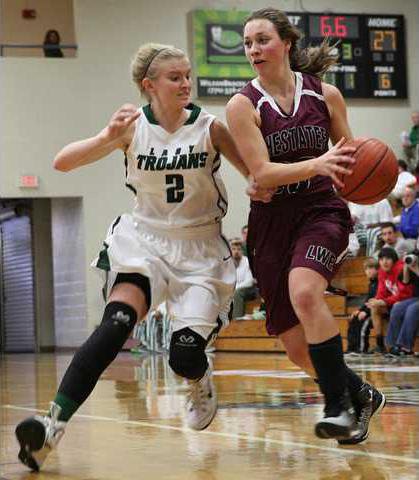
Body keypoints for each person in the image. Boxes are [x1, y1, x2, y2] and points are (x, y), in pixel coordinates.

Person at [14, 43, 271, 472]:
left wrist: (257, 185)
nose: (186, 83)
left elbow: (256, 174)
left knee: (183, 354)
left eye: (188, 75)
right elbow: (62, 163)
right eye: (175, 77)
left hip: (200, 249)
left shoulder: (210, 128)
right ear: (149, 85)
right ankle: (50, 427)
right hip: (146, 242)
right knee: (114, 325)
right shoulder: (131, 128)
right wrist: (105, 136)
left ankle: (199, 379)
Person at [226, 7, 385, 443]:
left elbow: (350, 158)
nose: (254, 49)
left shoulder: (325, 95)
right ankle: (360, 395)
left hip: (321, 211)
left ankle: (337, 407)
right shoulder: (242, 105)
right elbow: (261, 172)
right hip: (271, 223)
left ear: (287, 42)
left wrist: (368, 172)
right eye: (247, 43)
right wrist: (315, 163)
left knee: (305, 292)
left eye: (262, 40)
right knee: (297, 348)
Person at [366, 248, 414, 354]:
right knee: (375, 307)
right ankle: (380, 344)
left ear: (394, 260)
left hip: (407, 301)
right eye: (381, 259)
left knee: (396, 305)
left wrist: (384, 302)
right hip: (393, 302)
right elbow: (381, 292)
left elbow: (405, 295)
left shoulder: (400, 268)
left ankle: (398, 346)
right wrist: (376, 300)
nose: (384, 262)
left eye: (388, 258)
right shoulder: (381, 272)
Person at [386, 251, 419, 356]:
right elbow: (405, 281)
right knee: (397, 308)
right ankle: (393, 346)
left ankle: (405, 347)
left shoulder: (416, 267)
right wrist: (406, 266)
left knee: (412, 309)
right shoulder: (415, 257)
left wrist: (416, 269)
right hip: (416, 298)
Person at [345, 258, 378, 355]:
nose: (368, 271)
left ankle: (362, 349)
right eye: (366, 269)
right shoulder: (371, 284)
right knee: (353, 319)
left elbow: (376, 300)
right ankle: (351, 348)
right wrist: (359, 310)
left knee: (364, 323)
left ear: (377, 269)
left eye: (371, 268)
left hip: (376, 311)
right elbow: (367, 300)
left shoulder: (379, 283)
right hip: (369, 310)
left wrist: (366, 312)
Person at [230, 237, 258, 318]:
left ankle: (237, 319)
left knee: (237, 293)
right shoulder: (227, 263)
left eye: (239, 249)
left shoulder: (247, 261)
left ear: (242, 251)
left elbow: (249, 282)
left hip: (249, 289)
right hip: (232, 290)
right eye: (234, 249)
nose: (236, 252)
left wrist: (234, 289)